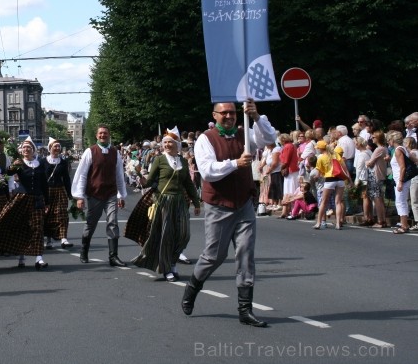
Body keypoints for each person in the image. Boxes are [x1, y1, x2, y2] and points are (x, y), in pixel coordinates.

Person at [181, 99, 276, 328]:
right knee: (214, 255)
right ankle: (193, 286)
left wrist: (255, 117)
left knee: (245, 254)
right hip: (219, 205)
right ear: (215, 115)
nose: (229, 116)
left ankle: (245, 309)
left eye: (232, 112)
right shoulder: (206, 139)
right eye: (224, 113)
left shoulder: (245, 132)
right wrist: (235, 163)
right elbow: (208, 171)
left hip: (243, 203)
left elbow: (270, 139)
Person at [130, 130, 200, 282]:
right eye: (165, 142)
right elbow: (149, 182)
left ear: (177, 145)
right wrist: (140, 177)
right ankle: (168, 268)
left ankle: (173, 261)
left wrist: (196, 202)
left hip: (180, 201)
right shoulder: (159, 160)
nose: (167, 145)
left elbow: (188, 183)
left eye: (171, 142)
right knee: (167, 236)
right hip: (164, 201)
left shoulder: (181, 160)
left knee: (183, 235)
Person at [71, 124, 128, 266]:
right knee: (91, 224)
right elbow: (82, 174)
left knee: (113, 223)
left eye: (105, 133)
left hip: (111, 193)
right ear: (97, 135)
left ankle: (113, 256)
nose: (103, 135)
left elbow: (119, 175)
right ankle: (84, 251)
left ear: (109, 135)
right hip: (95, 194)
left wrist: (121, 195)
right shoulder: (90, 152)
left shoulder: (115, 152)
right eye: (100, 133)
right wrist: (79, 196)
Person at [5, 137, 50, 269]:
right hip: (22, 198)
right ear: (21, 150)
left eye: (29, 148)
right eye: (24, 148)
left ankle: (39, 258)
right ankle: (21, 257)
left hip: (36, 198)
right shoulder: (19, 163)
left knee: (38, 227)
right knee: (22, 227)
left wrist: (47, 201)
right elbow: (8, 173)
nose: (26, 150)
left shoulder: (39, 164)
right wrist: (13, 165)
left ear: (33, 150)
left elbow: (44, 184)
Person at [42, 137, 74, 250]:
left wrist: (70, 193)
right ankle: (49, 240)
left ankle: (63, 239)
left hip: (60, 190)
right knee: (47, 215)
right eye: (55, 146)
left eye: (58, 147)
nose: (57, 148)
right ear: (50, 148)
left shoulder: (63, 162)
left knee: (62, 214)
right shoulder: (43, 161)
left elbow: (66, 178)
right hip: (47, 191)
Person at [313, 141, 351, 230]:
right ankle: (338, 223)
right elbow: (344, 167)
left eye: (317, 148)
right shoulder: (335, 155)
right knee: (338, 202)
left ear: (320, 148)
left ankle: (318, 223)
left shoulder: (321, 158)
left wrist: (316, 177)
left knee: (323, 202)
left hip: (329, 179)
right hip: (340, 179)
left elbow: (319, 173)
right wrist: (349, 179)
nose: (317, 150)